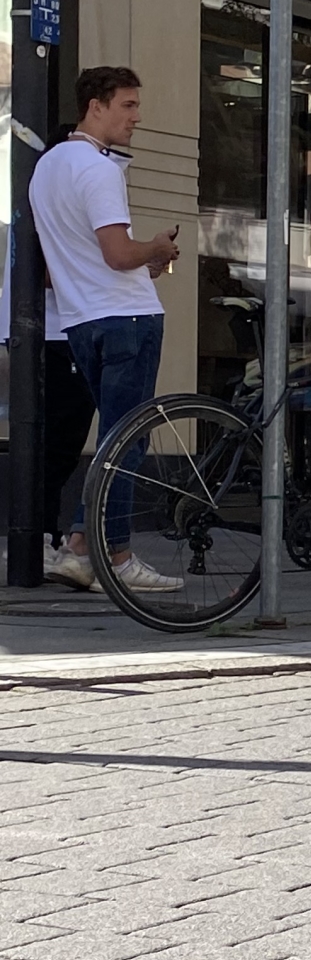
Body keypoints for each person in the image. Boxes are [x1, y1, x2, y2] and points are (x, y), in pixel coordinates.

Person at [33, 67, 178, 593]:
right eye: (127, 105)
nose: (136, 117)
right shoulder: (98, 170)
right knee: (127, 442)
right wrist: (157, 248)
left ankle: (78, 544)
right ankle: (115, 556)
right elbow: (118, 254)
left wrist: (144, 261)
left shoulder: (47, 167)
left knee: (115, 438)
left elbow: (65, 262)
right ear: (95, 105)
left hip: (80, 321)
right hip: (126, 316)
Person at [0, 238, 98, 584]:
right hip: (57, 331)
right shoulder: (53, 193)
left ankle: (39, 538)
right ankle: (37, 539)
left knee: (52, 443)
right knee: (58, 444)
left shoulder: (36, 195)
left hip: (43, 330)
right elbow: (41, 274)